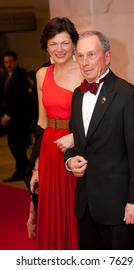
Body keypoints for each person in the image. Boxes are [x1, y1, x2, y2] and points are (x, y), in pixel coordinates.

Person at [65, 30, 134, 250]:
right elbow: (75, 138)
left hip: (119, 207)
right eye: (80, 56)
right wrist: (70, 161)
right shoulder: (77, 94)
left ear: (108, 57)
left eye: (92, 55)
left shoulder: (128, 95)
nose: (85, 62)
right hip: (85, 207)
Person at [25, 17, 83, 249]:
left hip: (76, 147)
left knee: (74, 210)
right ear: (46, 46)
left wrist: (76, 138)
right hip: (50, 149)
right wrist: (37, 167)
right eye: (53, 44)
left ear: (73, 45)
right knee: (52, 210)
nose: (59, 49)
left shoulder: (84, 71)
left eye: (65, 43)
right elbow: (41, 122)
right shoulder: (42, 74)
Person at [1, 51, 31, 182]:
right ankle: (23, 169)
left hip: (19, 119)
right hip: (12, 120)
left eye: (10, 62)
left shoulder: (20, 76)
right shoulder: (6, 76)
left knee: (17, 145)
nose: (8, 64)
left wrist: (7, 115)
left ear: (15, 61)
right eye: (6, 62)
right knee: (13, 144)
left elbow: (18, 99)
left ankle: (23, 170)